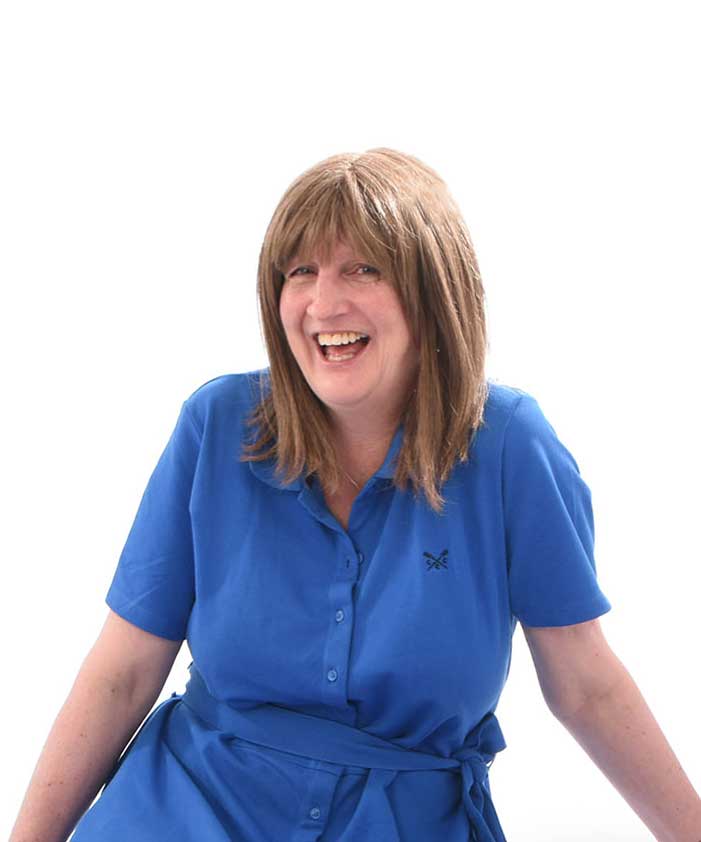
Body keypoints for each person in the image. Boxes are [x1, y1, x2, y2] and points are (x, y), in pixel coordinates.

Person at [10, 148, 701, 842]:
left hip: (399, 820)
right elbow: (123, 673)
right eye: (300, 271)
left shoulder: (509, 449)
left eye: (363, 268)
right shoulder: (217, 424)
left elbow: (587, 688)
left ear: (431, 291)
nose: (322, 303)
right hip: (187, 806)